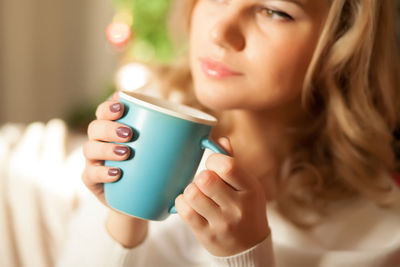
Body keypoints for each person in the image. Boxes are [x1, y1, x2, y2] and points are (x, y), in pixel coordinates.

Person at [61, 0, 400, 266]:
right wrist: (124, 211)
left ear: (343, 41)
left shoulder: (379, 233)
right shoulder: (146, 131)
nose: (220, 32)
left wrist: (244, 256)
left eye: (274, 11)